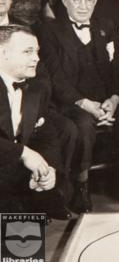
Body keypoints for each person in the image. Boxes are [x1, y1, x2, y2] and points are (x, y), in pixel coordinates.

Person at [39, 0, 119, 213]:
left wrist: (115, 99)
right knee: (82, 125)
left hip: (107, 100)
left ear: (96, 1)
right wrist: (84, 103)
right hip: (72, 102)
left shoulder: (106, 26)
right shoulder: (49, 31)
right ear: (64, 1)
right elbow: (55, 77)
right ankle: (81, 184)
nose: (83, 5)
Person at [0, 25, 70, 219]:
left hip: (9, 173)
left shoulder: (36, 88)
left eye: (37, 51)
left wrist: (49, 169)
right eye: (28, 51)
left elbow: (46, 134)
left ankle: (20, 246)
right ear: (3, 53)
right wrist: (24, 153)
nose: (37, 58)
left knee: (25, 243)